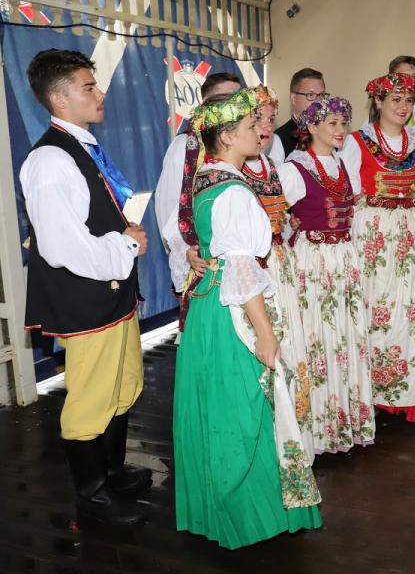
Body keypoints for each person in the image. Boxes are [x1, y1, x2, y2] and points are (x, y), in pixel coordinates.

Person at [174, 88, 322, 549]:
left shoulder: (206, 179)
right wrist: (265, 334)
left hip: (209, 305)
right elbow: (240, 266)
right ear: (225, 136)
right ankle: (252, 513)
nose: (261, 131)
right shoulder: (234, 190)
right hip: (233, 310)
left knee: (217, 404)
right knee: (248, 406)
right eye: (250, 125)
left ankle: (217, 509)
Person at [22, 49, 150, 525]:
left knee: (122, 383)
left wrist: (123, 244)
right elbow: (62, 247)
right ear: (58, 98)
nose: (100, 93)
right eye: (88, 86)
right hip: (87, 296)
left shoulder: (80, 147)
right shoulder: (50, 160)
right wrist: (126, 244)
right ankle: (91, 499)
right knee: (90, 397)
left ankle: (111, 473)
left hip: (111, 293)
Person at [278, 96, 376, 452]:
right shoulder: (295, 169)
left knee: (344, 339)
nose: (341, 129)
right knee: (318, 339)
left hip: (343, 257)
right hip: (314, 261)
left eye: (343, 123)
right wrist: (289, 227)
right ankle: (317, 429)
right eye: (332, 123)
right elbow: (272, 214)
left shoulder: (342, 164)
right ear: (312, 127)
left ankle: (342, 425)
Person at [340, 73, 415, 423]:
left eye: (408, 100)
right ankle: (372, 395)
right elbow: (348, 190)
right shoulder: (356, 141)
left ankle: (405, 394)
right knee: (375, 306)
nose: (403, 106)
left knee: (410, 310)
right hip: (373, 233)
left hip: (409, 229)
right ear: (378, 101)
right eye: (395, 99)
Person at [155, 72, 241, 292]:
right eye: (227, 99)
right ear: (206, 105)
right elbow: (170, 208)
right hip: (202, 261)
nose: (235, 106)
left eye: (239, 99)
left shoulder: (244, 145)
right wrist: (185, 252)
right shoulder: (185, 146)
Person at [274, 68, 328, 154]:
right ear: (293, 99)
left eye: (322, 95)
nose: (319, 102)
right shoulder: (278, 139)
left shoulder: (330, 133)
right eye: (311, 95)